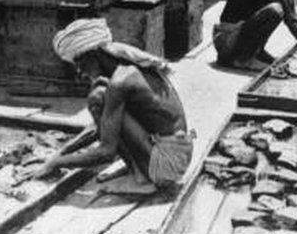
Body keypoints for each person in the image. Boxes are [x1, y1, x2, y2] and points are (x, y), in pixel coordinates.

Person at [33, 18, 194, 195]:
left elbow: (106, 152)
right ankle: (137, 170)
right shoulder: (128, 70)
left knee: (98, 97)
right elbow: (103, 126)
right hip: (180, 156)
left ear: (95, 55)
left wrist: (57, 163)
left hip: (167, 167)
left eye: (80, 63)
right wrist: (61, 153)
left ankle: (143, 178)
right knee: (102, 97)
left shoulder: (121, 82)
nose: (79, 71)